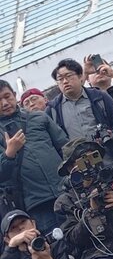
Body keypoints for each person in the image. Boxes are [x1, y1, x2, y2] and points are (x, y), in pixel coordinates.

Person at [0, 81, 67, 233]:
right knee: (55, 243)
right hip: (35, 204)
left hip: (65, 191)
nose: (4, 103)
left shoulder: (38, 117)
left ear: (15, 95)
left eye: (7, 96)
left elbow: (65, 147)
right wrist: (9, 154)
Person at [47, 60, 113, 163]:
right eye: (60, 79)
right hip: (80, 165)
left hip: (111, 158)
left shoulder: (100, 97)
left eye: (69, 76)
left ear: (80, 76)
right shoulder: (53, 110)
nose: (65, 81)